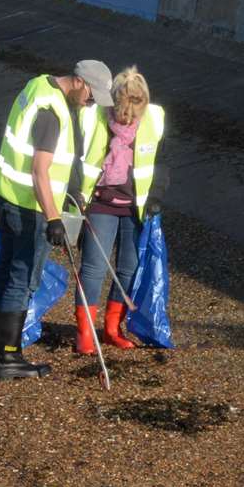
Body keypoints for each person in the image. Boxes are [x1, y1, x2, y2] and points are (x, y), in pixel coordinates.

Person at [0, 60, 112, 380]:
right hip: (30, 207)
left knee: (4, 271)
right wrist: (54, 218)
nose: (92, 104)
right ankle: (8, 357)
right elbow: (40, 171)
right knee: (23, 279)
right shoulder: (54, 113)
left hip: (8, 195)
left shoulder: (38, 85)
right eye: (93, 97)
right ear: (80, 82)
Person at [74, 66, 165, 353]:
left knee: (129, 268)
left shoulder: (154, 119)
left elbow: (159, 163)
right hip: (100, 201)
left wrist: (156, 195)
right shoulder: (95, 116)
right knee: (93, 268)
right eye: (122, 111)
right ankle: (84, 333)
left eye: (133, 112)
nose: (127, 118)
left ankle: (112, 328)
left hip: (135, 206)